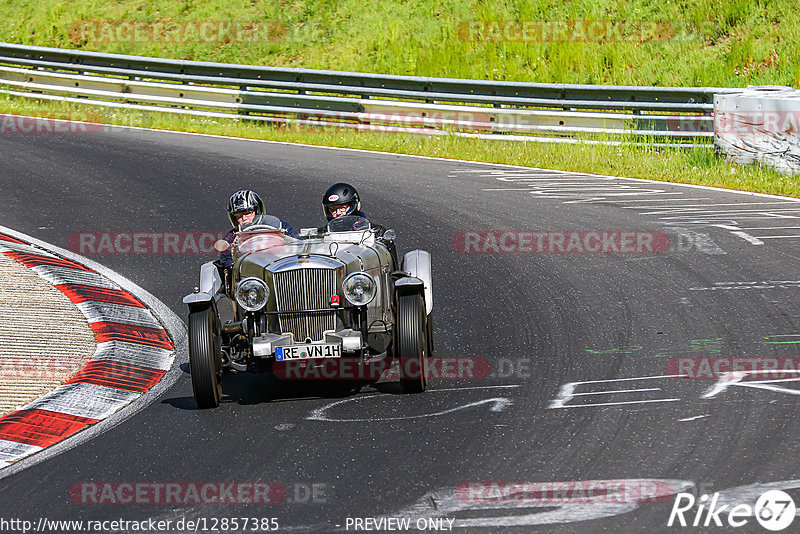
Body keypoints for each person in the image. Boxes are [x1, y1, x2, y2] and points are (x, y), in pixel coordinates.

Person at [321, 182, 398, 267]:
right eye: (333, 210)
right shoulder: (323, 233)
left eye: (343, 208)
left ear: (355, 205)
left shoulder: (376, 231)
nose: (338, 213)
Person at [219, 189, 299, 267]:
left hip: (279, 265)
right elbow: (226, 262)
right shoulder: (232, 236)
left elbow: (299, 244)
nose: (244, 218)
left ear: (258, 211)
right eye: (238, 215)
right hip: (252, 272)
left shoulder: (281, 226)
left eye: (248, 213)